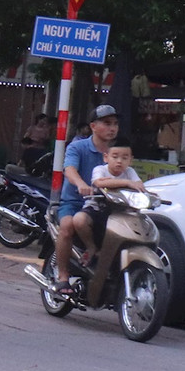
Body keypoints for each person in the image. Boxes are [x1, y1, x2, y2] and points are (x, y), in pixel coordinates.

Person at [51, 105, 121, 291]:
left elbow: (128, 174)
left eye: (115, 124)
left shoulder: (118, 151)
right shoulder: (78, 147)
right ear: (93, 126)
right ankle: (63, 275)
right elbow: (69, 169)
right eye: (106, 123)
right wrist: (81, 184)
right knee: (67, 226)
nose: (112, 128)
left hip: (105, 205)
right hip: (74, 203)